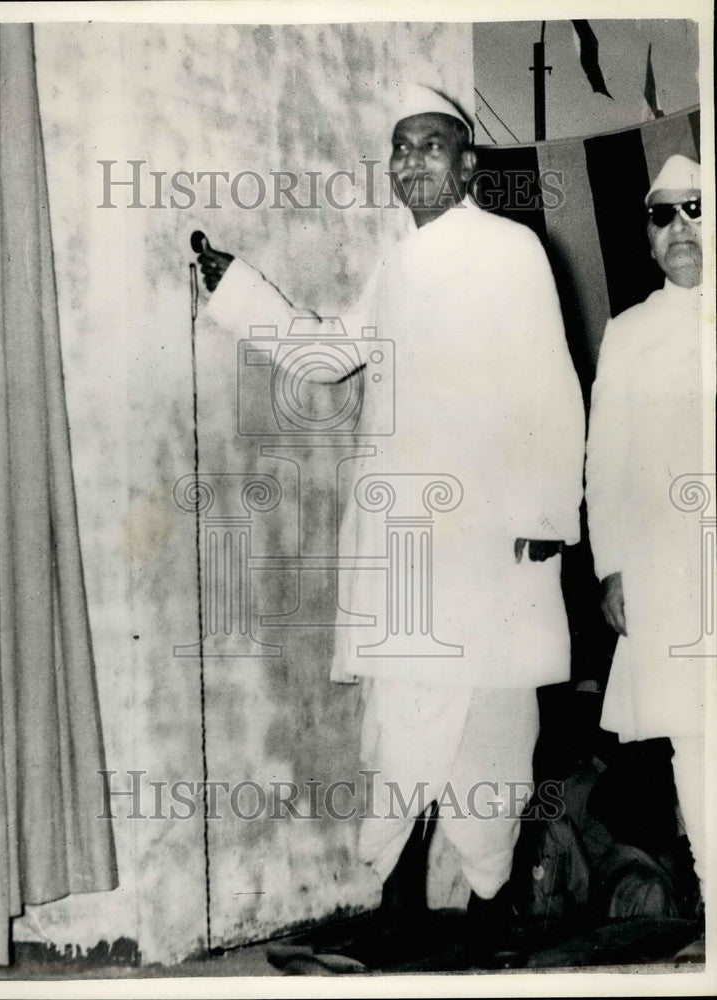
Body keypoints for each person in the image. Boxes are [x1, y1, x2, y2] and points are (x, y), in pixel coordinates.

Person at [196, 83, 585, 935]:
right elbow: (332, 353)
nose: (411, 160)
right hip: (405, 544)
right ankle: (398, 904)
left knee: (488, 718)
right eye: (401, 146)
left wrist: (546, 518)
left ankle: (496, 906)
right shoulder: (395, 260)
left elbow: (552, 387)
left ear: (468, 163)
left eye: (431, 144)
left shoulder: (511, 249)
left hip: (487, 537)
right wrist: (242, 295)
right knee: (401, 722)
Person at [585, 154, 708, 906]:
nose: (681, 227)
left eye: (696, 207)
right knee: (693, 746)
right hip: (670, 575)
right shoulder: (628, 335)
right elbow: (607, 461)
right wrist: (613, 566)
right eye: (663, 215)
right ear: (648, 236)